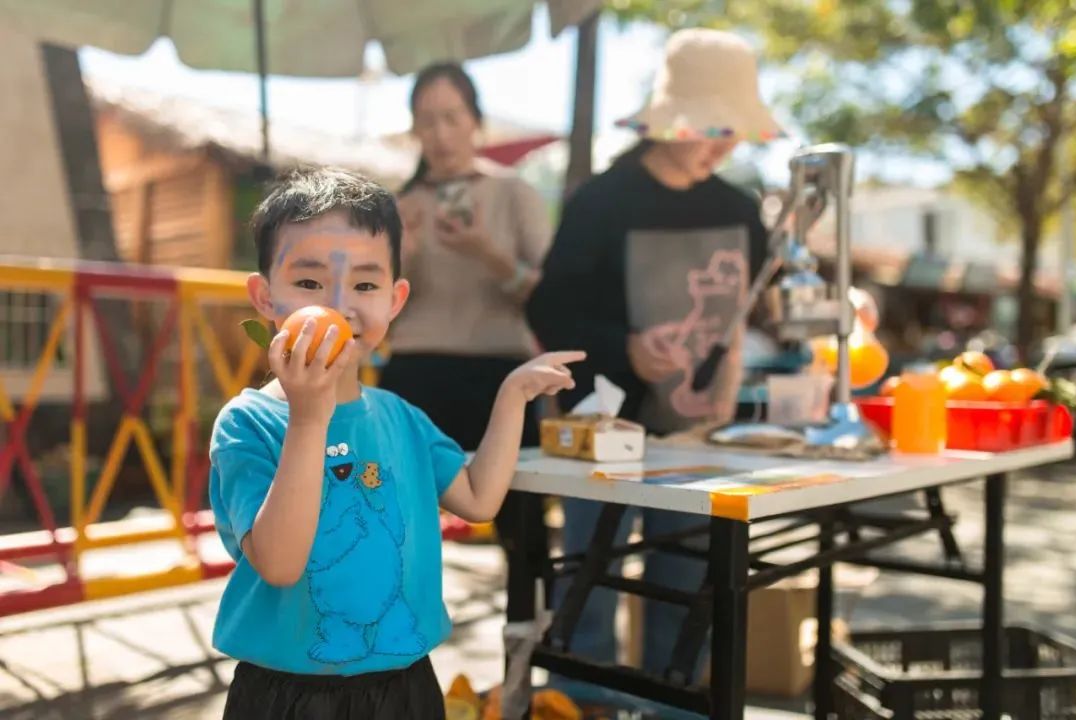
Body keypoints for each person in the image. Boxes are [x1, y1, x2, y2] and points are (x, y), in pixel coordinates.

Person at [208, 167, 583, 719]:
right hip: (288, 692)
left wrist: (512, 396)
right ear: (265, 297)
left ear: (395, 299)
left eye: (365, 284)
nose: (339, 303)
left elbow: (479, 498)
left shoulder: (401, 418)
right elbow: (281, 564)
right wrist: (310, 416)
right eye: (309, 283)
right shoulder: (249, 424)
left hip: (404, 687)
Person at [525, 29, 781, 678]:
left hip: (701, 434)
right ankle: (581, 707)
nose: (725, 146)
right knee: (589, 586)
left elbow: (758, 305)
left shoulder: (740, 209)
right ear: (673, 121)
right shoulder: (601, 201)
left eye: (733, 132)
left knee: (689, 592)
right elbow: (547, 308)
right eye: (714, 128)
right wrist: (627, 348)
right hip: (600, 432)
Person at [380, 62, 552, 456]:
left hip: (500, 370)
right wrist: (402, 256)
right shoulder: (400, 205)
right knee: (401, 502)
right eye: (426, 121)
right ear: (414, 130)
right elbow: (375, 309)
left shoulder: (514, 192)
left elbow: (550, 300)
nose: (440, 134)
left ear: (475, 121)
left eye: (451, 118)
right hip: (416, 367)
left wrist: (489, 254)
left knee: (515, 507)